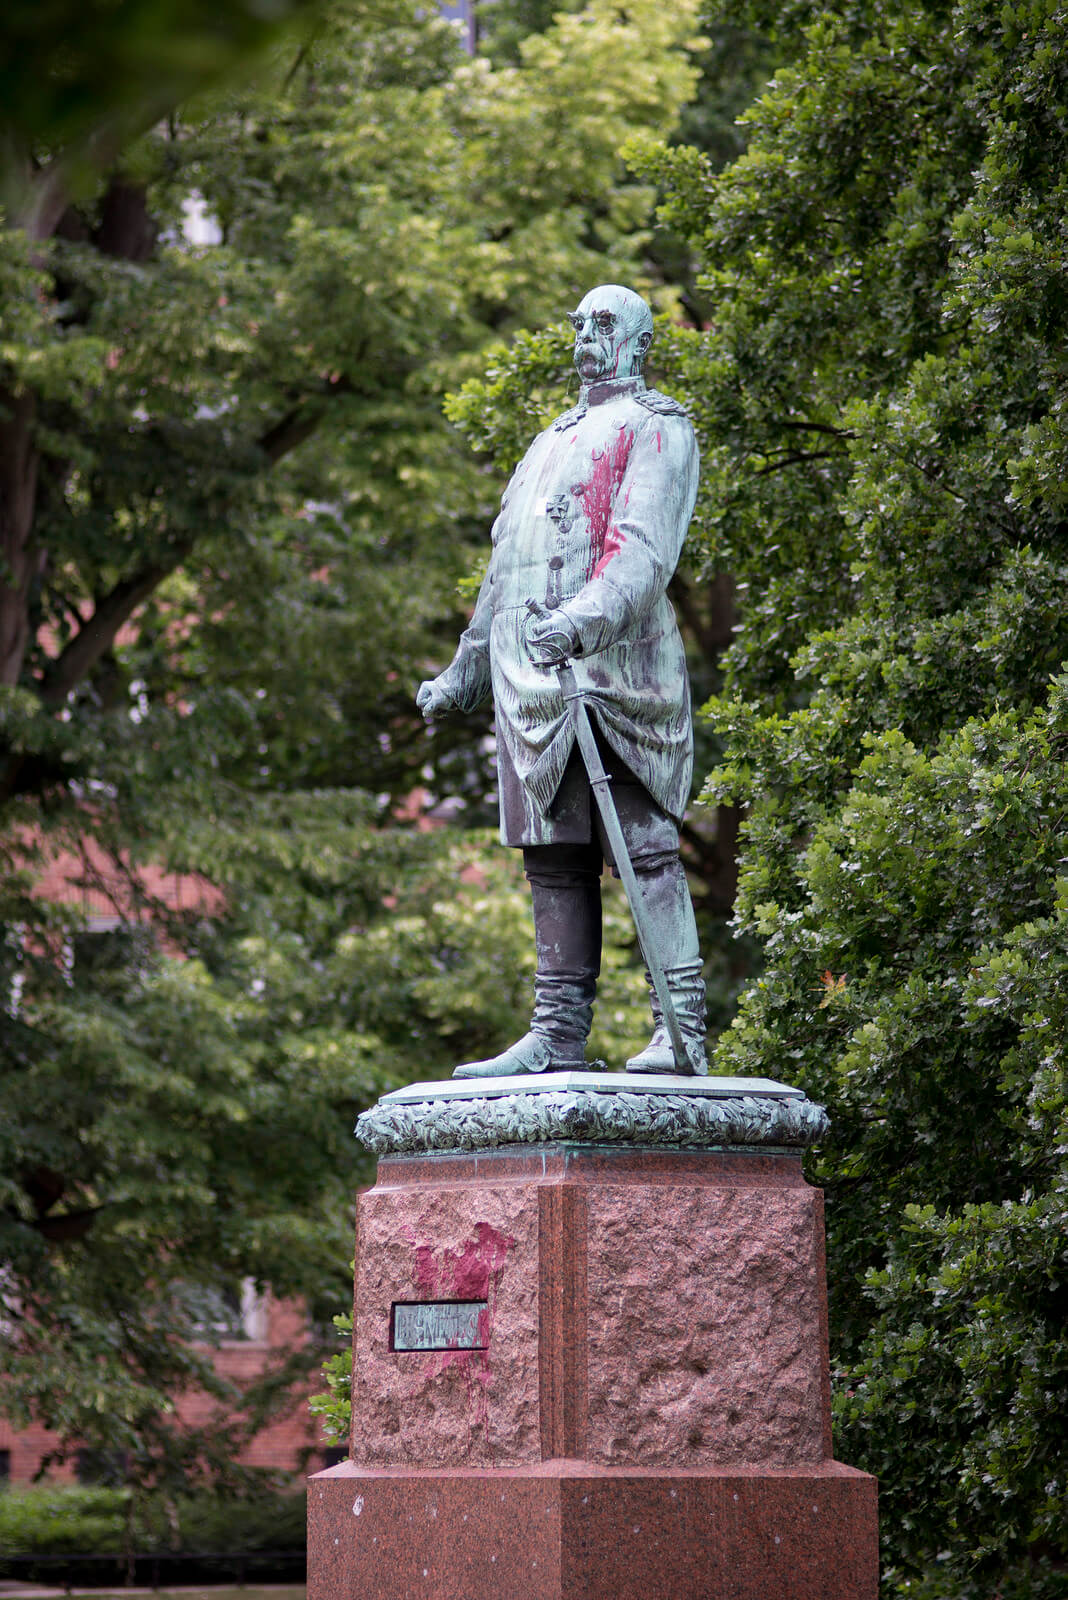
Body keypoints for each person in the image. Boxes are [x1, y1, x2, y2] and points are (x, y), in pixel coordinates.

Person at [417, 284, 706, 1078]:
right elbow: (503, 572)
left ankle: (680, 1033)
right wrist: (464, 669)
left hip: (616, 676)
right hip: (528, 685)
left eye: (604, 323)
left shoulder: (659, 427)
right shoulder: (548, 439)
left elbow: (643, 550)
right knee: (551, 859)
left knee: (643, 850)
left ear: (640, 342)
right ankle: (556, 1033)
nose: (585, 334)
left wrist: (582, 619)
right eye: (579, 323)